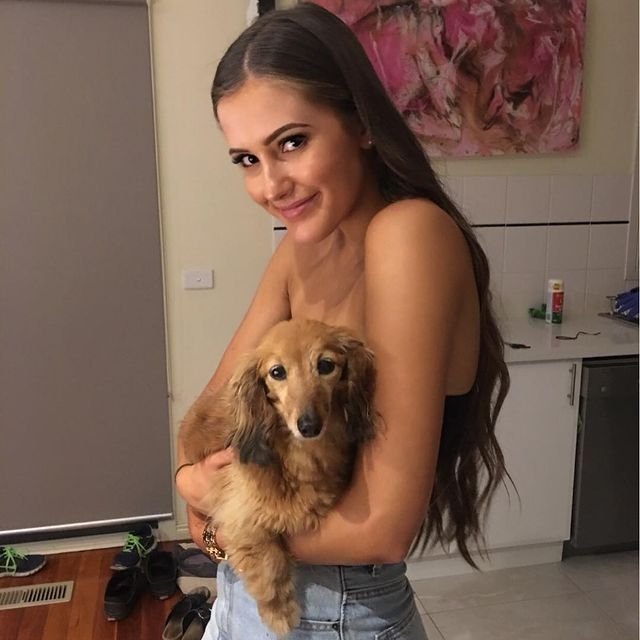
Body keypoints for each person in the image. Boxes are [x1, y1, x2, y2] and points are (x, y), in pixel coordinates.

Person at [175, 4, 510, 639]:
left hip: (334, 613)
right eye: (246, 160)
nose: (270, 185)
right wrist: (197, 490)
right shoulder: (300, 252)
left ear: (359, 123)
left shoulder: (408, 235)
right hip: (246, 595)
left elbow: (380, 528)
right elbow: (206, 429)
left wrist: (221, 520)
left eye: (291, 143)